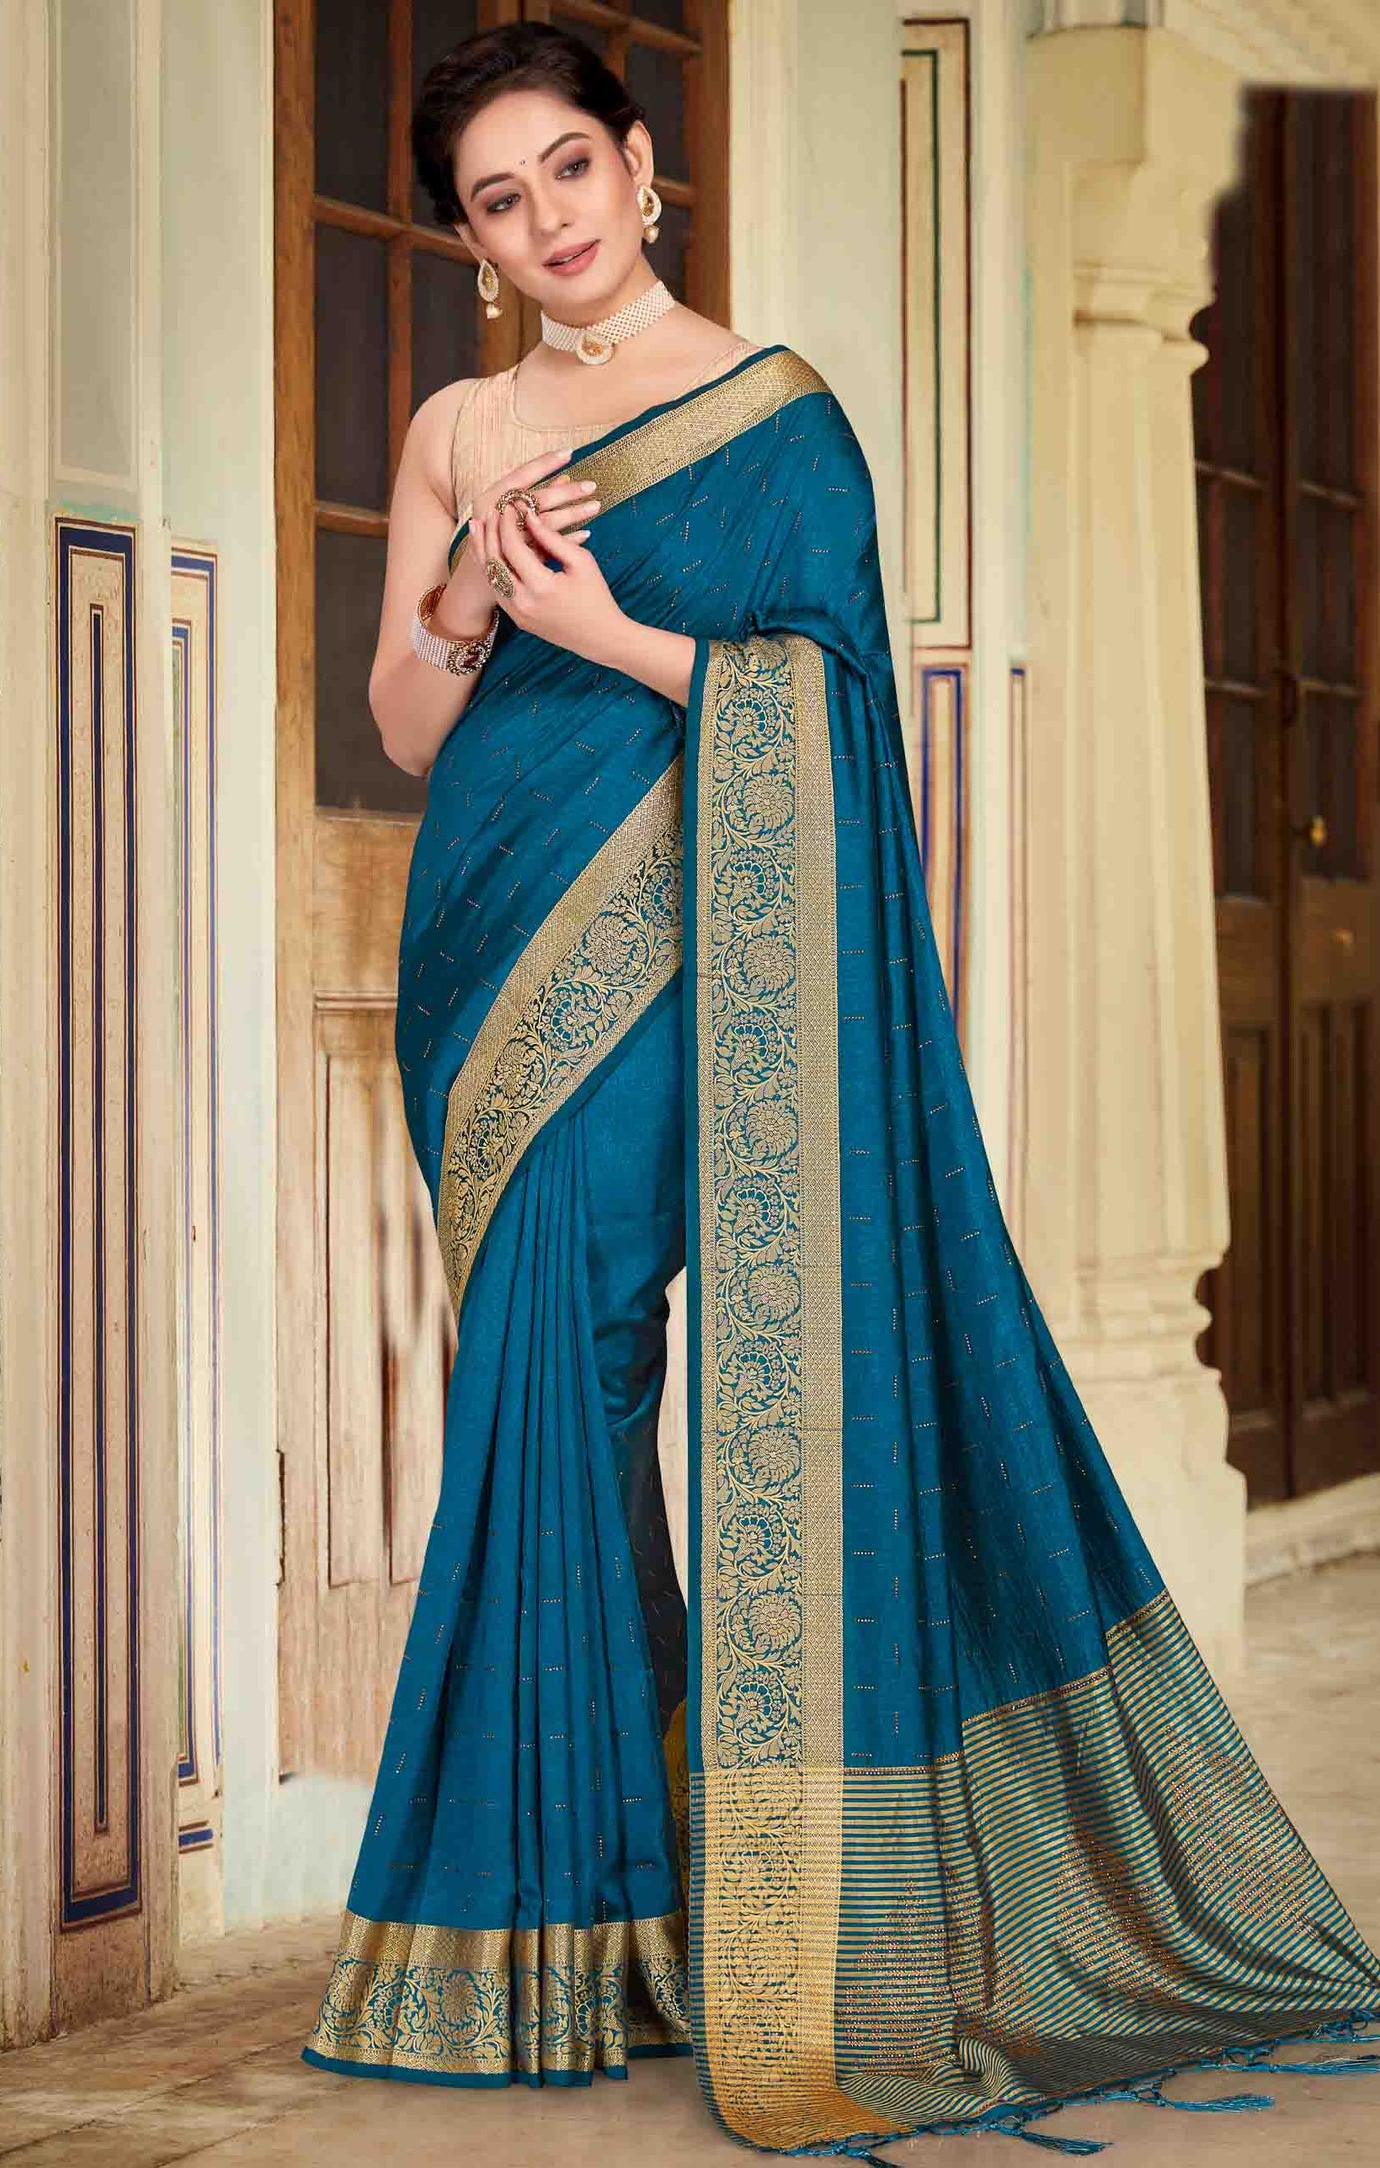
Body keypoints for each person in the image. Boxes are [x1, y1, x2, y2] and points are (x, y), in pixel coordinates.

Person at [300, 21, 1380, 2157]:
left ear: (639, 164)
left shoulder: (781, 416)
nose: (547, 219)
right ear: (468, 242)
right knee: (553, 1391)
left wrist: (601, 628)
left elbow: (827, 711)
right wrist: (472, 576)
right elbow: (409, 726)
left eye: (569, 167)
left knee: (674, 1371)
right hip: (492, 954)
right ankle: (589, 1922)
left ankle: (703, 1909)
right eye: (498, 200)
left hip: (703, 934)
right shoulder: (454, 425)